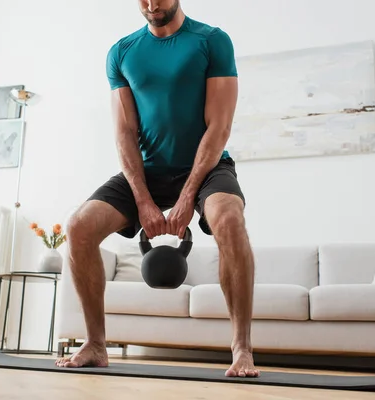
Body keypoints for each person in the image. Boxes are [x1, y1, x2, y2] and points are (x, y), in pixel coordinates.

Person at [56, 0, 259, 378]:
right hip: (147, 171)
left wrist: (186, 198)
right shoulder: (122, 52)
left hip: (206, 164)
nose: (152, 5)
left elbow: (219, 127)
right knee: (79, 226)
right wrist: (143, 199)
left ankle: (241, 347)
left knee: (229, 219)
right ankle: (96, 344)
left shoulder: (212, 41)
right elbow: (124, 133)